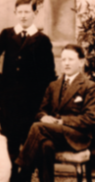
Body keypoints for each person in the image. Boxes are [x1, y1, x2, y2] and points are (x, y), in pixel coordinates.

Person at [0, 0, 56, 164]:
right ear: (15, 13)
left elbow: (49, 73)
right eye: (19, 12)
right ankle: (9, 175)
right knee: (9, 140)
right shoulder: (7, 34)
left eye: (27, 11)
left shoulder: (42, 40)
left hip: (31, 100)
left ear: (34, 13)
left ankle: (24, 177)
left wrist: (47, 101)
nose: (23, 16)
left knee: (28, 142)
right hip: (9, 98)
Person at [15, 44, 95, 182]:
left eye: (71, 59)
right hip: (54, 135)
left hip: (78, 137)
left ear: (81, 62)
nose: (66, 63)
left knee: (37, 127)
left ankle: (23, 174)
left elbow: (90, 118)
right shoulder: (54, 85)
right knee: (45, 145)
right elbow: (40, 112)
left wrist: (61, 121)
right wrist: (44, 117)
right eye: (63, 59)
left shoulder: (90, 86)